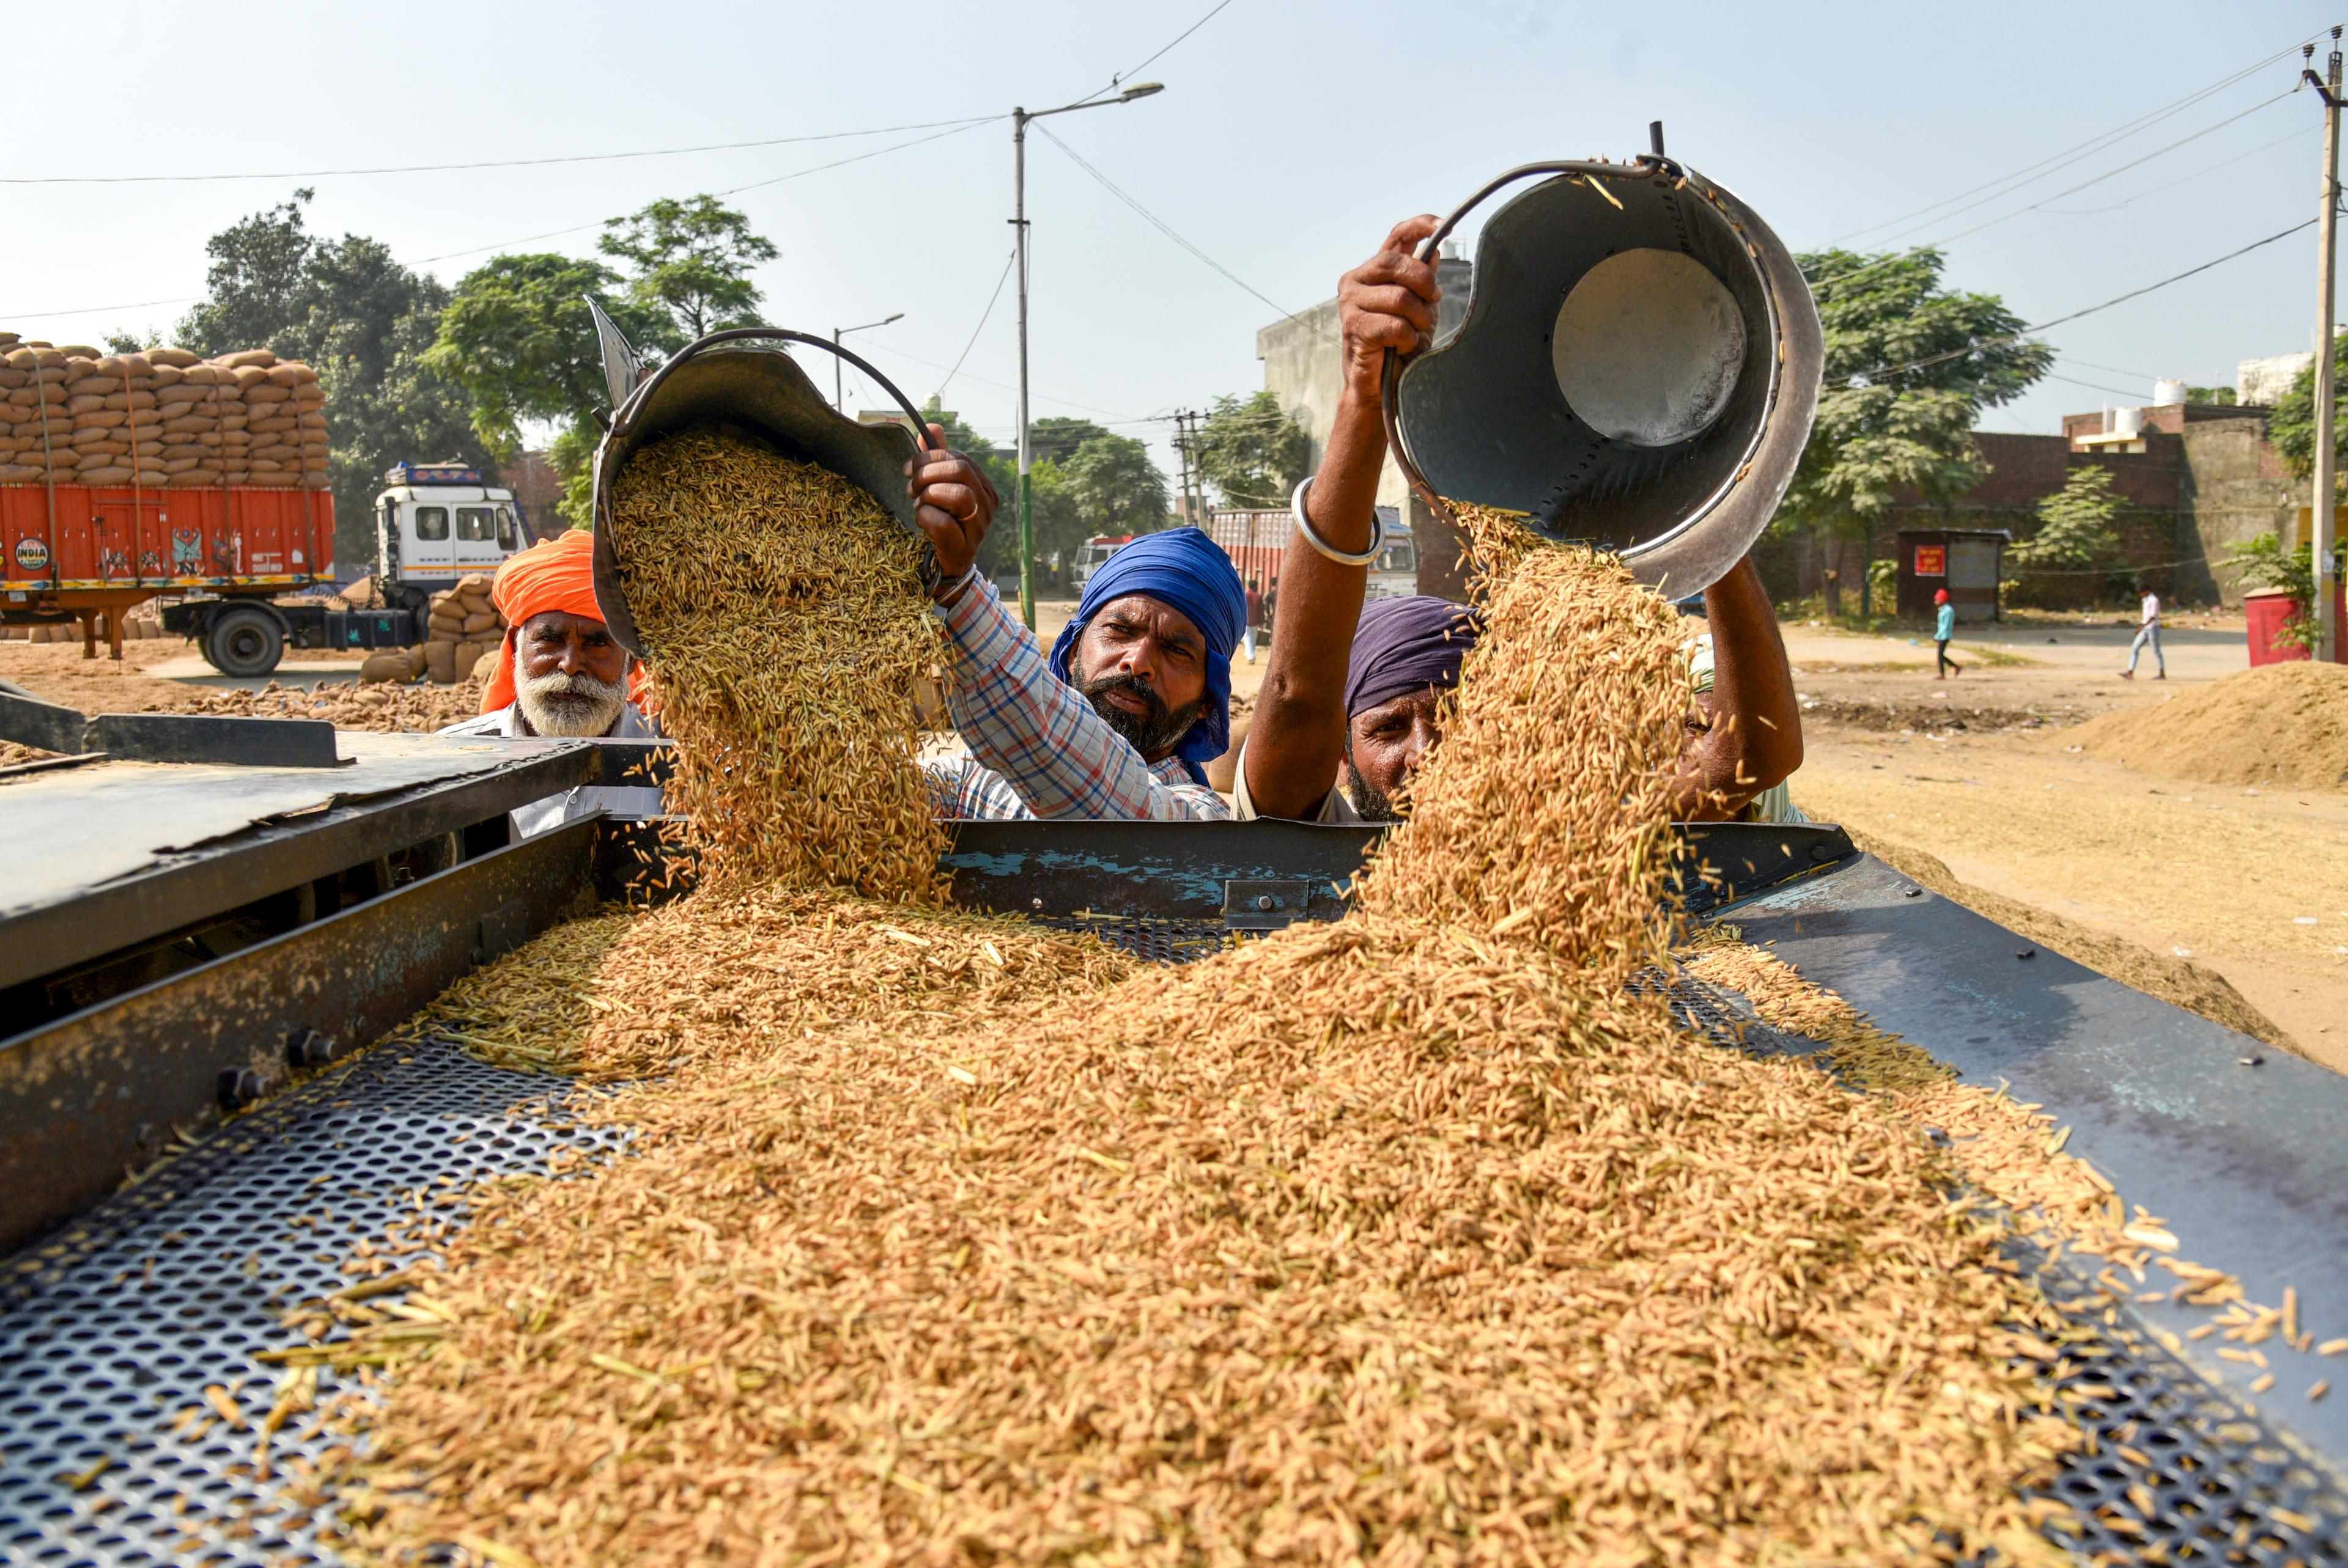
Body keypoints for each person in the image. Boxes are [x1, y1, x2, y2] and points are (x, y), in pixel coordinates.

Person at [1235, 215, 1804, 824]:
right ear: (1343, 756)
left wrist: (1702, 501)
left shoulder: (1561, 846)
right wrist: (1365, 399)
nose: (1426, 753)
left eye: (1458, 716)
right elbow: (1297, 696)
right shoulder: (1309, 832)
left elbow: (1748, 757)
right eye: (1389, 727)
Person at [909, 432, 1245, 820]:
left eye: (1177, 650)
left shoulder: (1200, 820)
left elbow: (1105, 800)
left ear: (1206, 702)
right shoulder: (977, 780)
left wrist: (959, 591)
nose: (1138, 662)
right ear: (1071, 652)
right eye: (1119, 629)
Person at [437, 529, 665, 837]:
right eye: (549, 640)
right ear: (517, 648)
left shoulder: (676, 759)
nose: (570, 665)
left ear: (633, 661)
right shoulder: (449, 760)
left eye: (597, 644)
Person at [2122, 580, 2164, 680]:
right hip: (2146, 628)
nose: (2141, 594)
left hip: (2152, 628)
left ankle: (2162, 673)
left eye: (2142, 592)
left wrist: (2141, 627)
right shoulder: (2145, 600)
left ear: (2147, 591)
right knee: (2135, 648)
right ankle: (2130, 672)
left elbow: (2153, 617)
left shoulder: (2154, 600)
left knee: (2156, 651)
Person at [1933, 588, 1961, 680]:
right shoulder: (1942, 610)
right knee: (1941, 655)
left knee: (1940, 655)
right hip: (1942, 635)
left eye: (1937, 600)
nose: (1936, 602)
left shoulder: (1948, 611)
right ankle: (1955, 667)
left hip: (1945, 636)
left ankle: (1943, 673)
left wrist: (1937, 636)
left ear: (1942, 600)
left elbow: (1945, 626)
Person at [1243, 576, 1265, 664]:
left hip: (1247, 621)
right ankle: (1250, 655)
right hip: (1256, 622)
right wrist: (1262, 622)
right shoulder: (1258, 596)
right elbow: (1261, 610)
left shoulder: (1245, 595)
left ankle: (1250, 657)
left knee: (1248, 639)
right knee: (1253, 639)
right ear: (1256, 586)